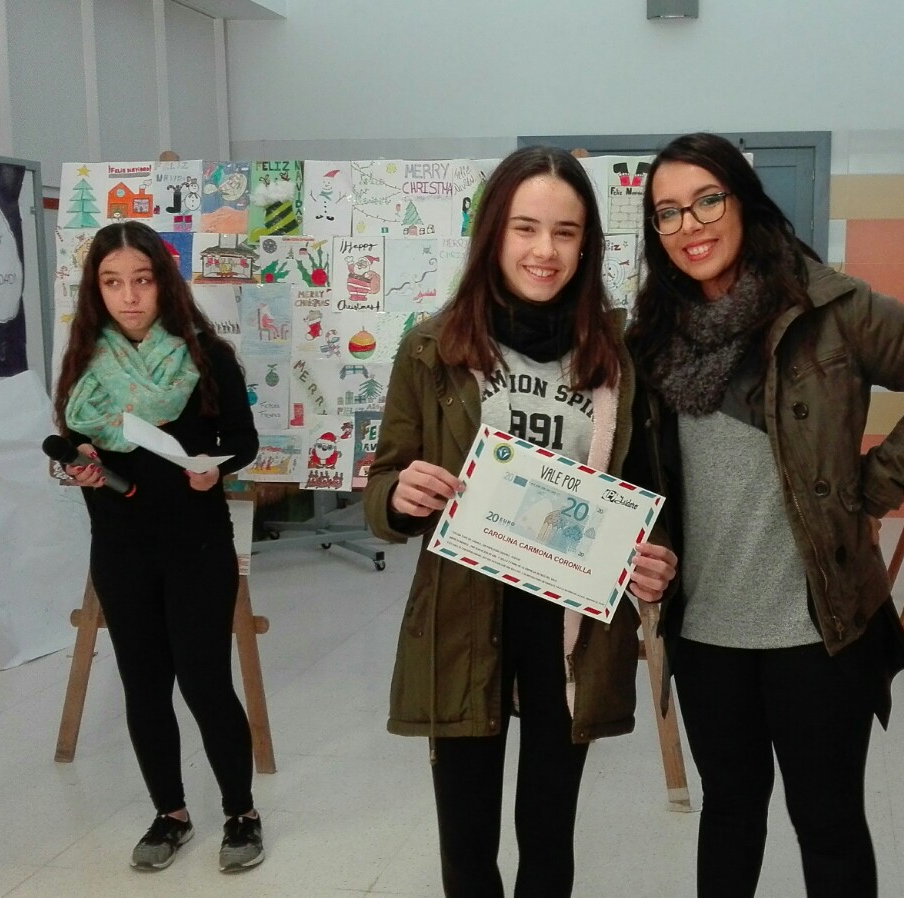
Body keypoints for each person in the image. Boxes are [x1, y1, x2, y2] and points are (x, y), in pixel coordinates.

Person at [623, 132, 904, 897]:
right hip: (705, 632)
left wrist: (870, 488)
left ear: (743, 202)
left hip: (819, 628)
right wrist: (642, 546)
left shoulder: (831, 310)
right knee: (730, 813)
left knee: (827, 822)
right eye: (668, 212)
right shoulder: (651, 339)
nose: (690, 225)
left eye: (706, 201)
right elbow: (643, 474)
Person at [364, 146, 677, 898]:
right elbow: (384, 484)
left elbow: (643, 492)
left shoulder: (616, 359)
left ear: (587, 243)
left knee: (548, 833)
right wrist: (400, 496)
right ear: (493, 233)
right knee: (467, 842)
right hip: (463, 614)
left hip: (569, 624)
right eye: (525, 228)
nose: (545, 251)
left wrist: (654, 555)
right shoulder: (432, 348)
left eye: (566, 232)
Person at [52, 221, 262, 873]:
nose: (129, 297)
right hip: (120, 549)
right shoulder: (85, 362)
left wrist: (215, 468)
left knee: (205, 682)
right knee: (143, 687)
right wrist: (81, 468)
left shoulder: (205, 355)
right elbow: (75, 443)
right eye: (112, 283)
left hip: (196, 544)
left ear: (163, 283)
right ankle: (170, 814)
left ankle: (241, 813)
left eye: (141, 280)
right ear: (96, 290)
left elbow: (243, 441)